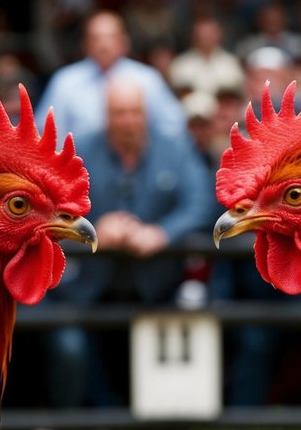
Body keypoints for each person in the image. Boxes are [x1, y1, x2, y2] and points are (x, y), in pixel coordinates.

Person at [46, 78, 216, 407]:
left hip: (157, 284)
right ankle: (99, 418)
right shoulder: (77, 149)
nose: (127, 120)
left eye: (134, 112)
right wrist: (95, 228)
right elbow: (51, 206)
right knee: (74, 342)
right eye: (119, 112)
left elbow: (201, 202)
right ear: (106, 115)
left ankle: (155, 421)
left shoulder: (175, 146)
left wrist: (162, 233)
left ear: (146, 113)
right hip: (92, 285)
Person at [37, 10, 187, 141]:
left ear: (125, 42)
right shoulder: (65, 81)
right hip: (76, 167)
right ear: (85, 44)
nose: (104, 45)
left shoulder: (147, 79)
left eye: (110, 37)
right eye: (96, 38)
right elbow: (44, 131)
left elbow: (173, 125)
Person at [167, 14, 245, 99]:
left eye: (210, 33)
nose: (206, 37)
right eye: (202, 34)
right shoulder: (180, 64)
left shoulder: (231, 63)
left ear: (219, 35)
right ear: (194, 36)